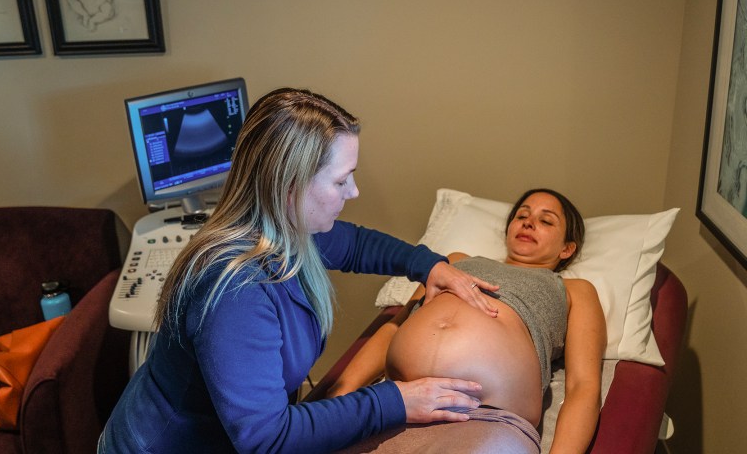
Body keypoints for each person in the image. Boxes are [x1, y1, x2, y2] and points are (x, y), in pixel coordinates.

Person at [99, 87, 504, 454]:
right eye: (342, 180)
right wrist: (396, 402)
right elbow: (267, 438)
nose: (354, 192)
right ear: (290, 186)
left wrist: (430, 265)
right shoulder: (236, 291)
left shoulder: (288, 228)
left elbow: (359, 244)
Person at [329, 189, 606, 454]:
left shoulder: (574, 289)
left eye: (546, 220)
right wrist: (337, 398)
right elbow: (393, 329)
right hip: (396, 402)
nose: (529, 223)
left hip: (484, 420)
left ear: (567, 249)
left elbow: (583, 384)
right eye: (521, 216)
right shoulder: (455, 261)